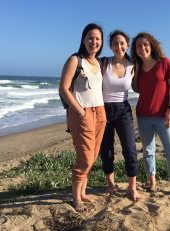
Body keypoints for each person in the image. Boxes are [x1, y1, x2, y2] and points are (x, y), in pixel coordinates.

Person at [59, 23, 106, 212]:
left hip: (100, 112)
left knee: (93, 156)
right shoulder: (75, 60)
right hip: (82, 113)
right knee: (84, 158)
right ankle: (76, 198)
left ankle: (83, 193)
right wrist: (79, 111)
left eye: (97, 39)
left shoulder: (99, 63)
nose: (94, 42)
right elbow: (63, 88)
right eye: (90, 38)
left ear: (101, 42)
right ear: (83, 40)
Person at [131, 32, 170, 195]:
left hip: (163, 115)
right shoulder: (138, 66)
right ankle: (152, 183)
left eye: (145, 44)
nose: (142, 48)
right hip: (143, 115)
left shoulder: (165, 63)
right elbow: (137, 89)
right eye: (138, 46)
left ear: (152, 45)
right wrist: (137, 70)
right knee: (148, 151)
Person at [100, 30, 140, 201]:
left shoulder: (133, 64)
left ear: (127, 45)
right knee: (106, 149)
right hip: (103, 109)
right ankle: (111, 184)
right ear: (110, 46)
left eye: (122, 43)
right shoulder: (104, 63)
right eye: (115, 43)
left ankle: (132, 187)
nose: (119, 46)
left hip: (123, 109)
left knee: (130, 149)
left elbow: (140, 85)